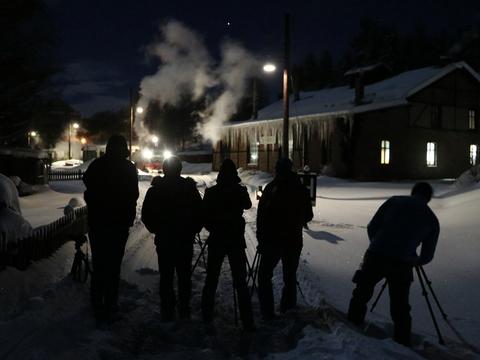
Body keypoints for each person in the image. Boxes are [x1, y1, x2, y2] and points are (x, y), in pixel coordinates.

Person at [347, 182, 440, 347]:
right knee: (400, 306)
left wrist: (378, 244)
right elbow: (427, 254)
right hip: (403, 263)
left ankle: (352, 324)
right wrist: (414, 259)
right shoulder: (431, 219)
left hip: (376, 255)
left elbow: (372, 226)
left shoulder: (394, 201)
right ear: (428, 198)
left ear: (413, 192)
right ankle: (402, 342)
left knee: (362, 291)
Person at [83, 134, 139, 325]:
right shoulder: (128, 168)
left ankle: (97, 303)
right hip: (119, 224)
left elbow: (87, 185)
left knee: (99, 264)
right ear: (124, 149)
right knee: (113, 266)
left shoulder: (97, 166)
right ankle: (110, 305)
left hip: (98, 223)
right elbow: (134, 195)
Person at [141, 156, 202, 321]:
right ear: (180, 169)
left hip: (165, 240)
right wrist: (192, 230)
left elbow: (146, 215)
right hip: (184, 240)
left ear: (165, 169)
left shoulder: (156, 189)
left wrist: (157, 230)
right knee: (184, 276)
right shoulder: (189, 188)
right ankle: (184, 308)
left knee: (166, 276)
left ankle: (167, 309)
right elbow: (199, 213)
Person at [201, 159, 255, 331]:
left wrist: (213, 228)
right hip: (235, 240)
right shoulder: (239, 191)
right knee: (240, 281)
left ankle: (206, 314)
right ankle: (247, 320)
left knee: (211, 278)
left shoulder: (211, 192)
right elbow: (248, 205)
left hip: (217, 239)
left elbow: (204, 216)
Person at [256, 158, 313, 321]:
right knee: (290, 275)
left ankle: (267, 311)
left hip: (272, 240)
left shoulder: (271, 188)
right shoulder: (301, 189)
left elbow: (261, 216)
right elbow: (308, 215)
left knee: (264, 275)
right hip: (293, 240)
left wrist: (261, 239)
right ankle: (288, 308)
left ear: (278, 170)